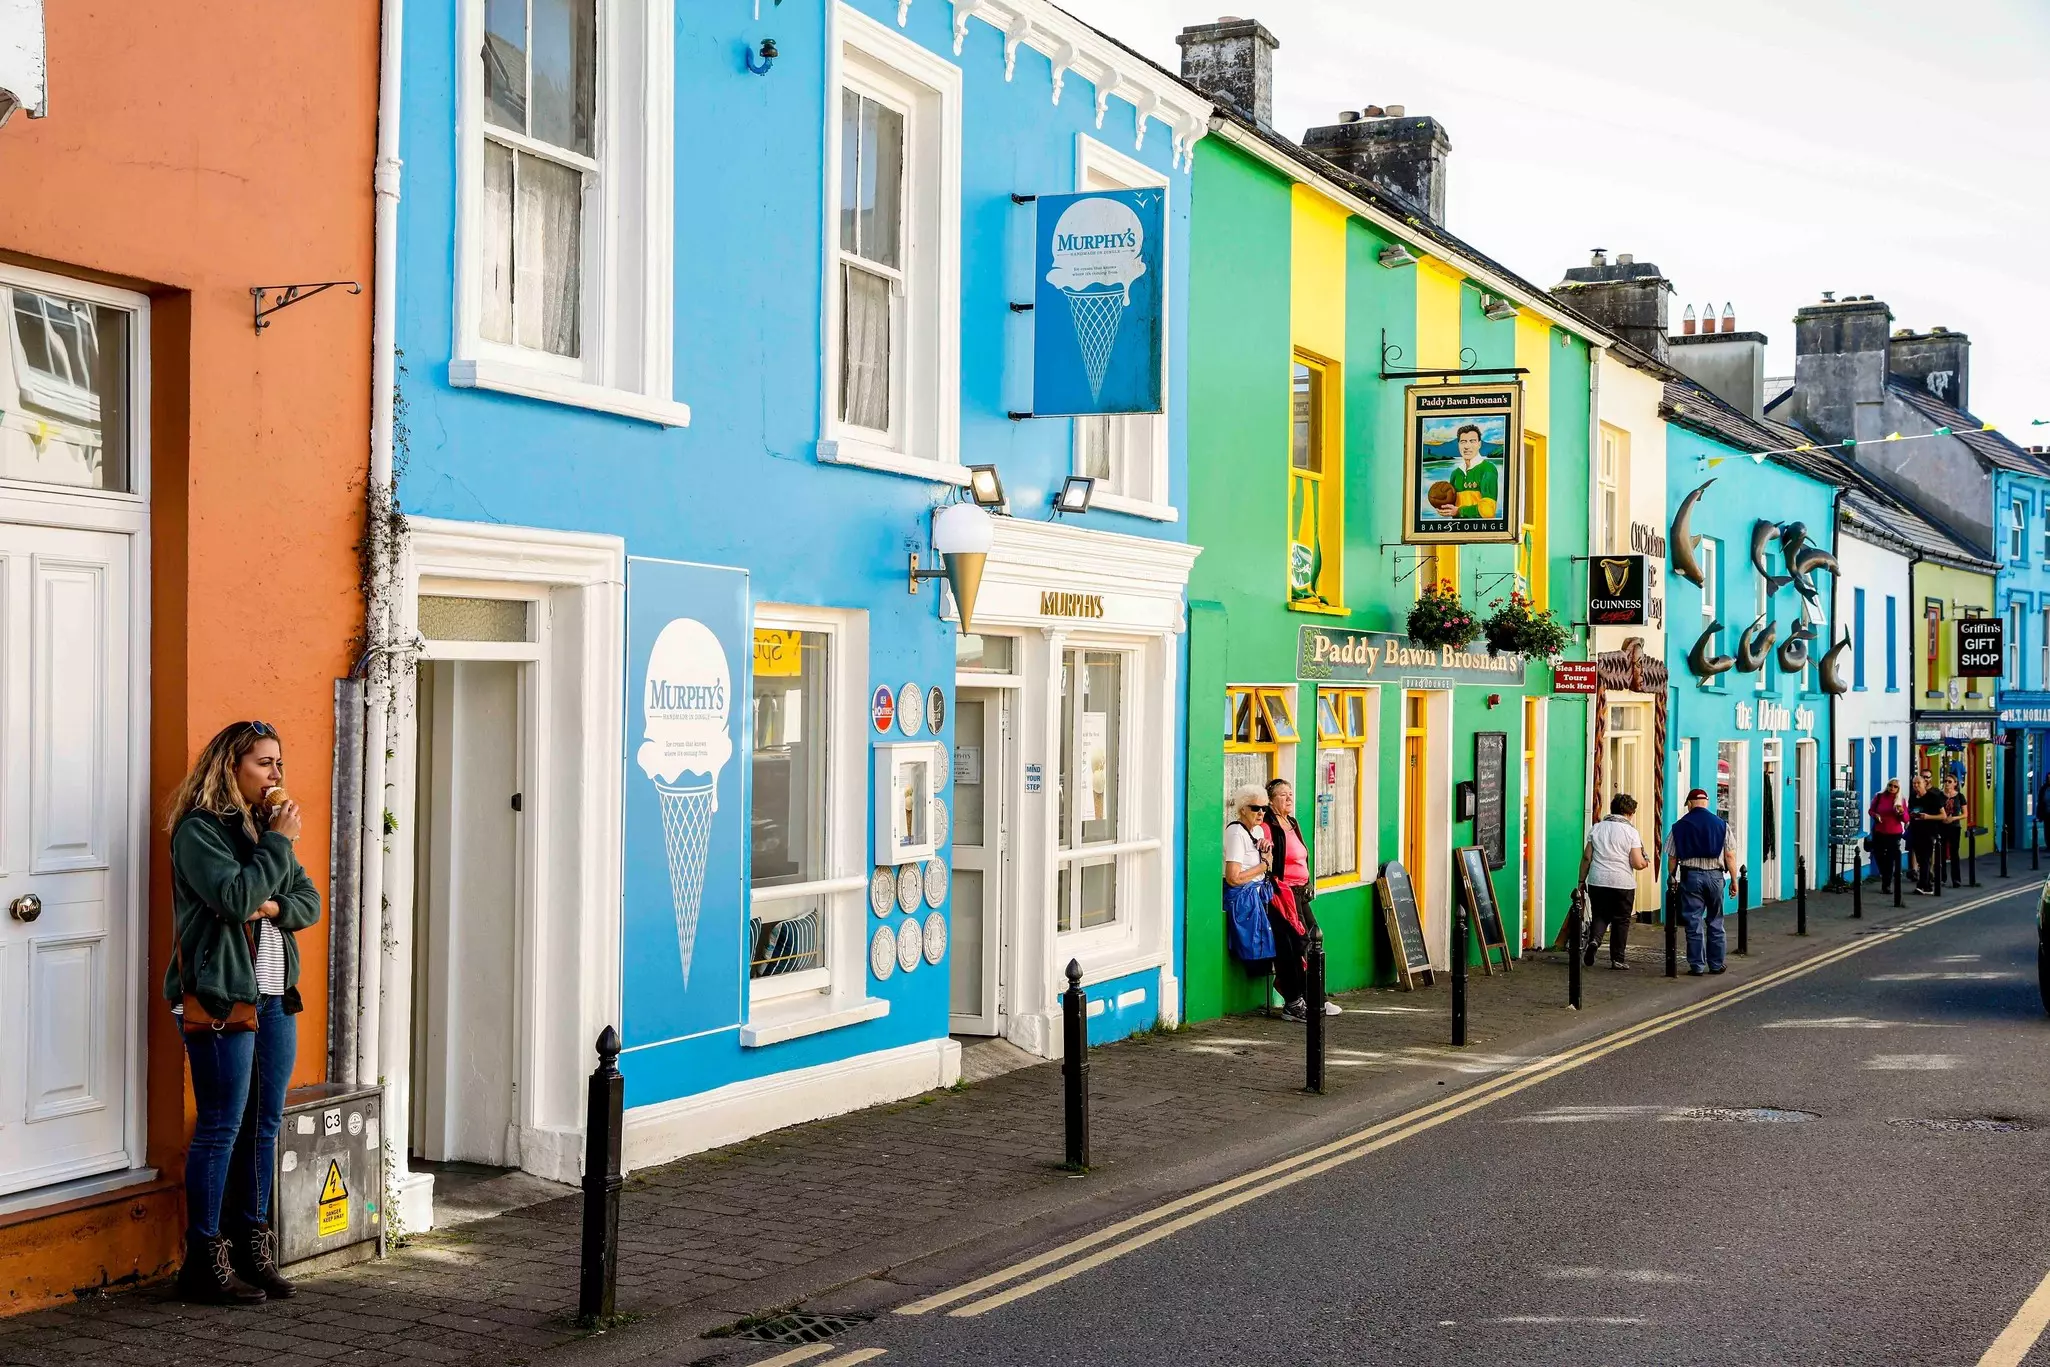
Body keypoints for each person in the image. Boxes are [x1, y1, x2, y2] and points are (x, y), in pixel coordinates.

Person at [162, 721, 322, 1304]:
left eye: (279, 762)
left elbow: (307, 903)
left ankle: (251, 1242)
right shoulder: (198, 832)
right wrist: (274, 849)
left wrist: (270, 899)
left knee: (263, 1123)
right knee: (221, 1125)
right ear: (230, 767)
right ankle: (203, 1257)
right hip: (222, 996)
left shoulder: (263, 830)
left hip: (276, 996)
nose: (276, 775)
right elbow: (231, 900)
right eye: (263, 763)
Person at [1265, 778, 1341, 1016]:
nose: (1289, 798)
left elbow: (1301, 856)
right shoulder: (1269, 826)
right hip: (1283, 894)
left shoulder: (1291, 822)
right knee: (1297, 945)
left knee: (1314, 939)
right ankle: (1297, 1000)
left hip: (1300, 892)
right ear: (1270, 801)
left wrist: (1308, 881)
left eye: (1290, 793)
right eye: (1283, 795)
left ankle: (1317, 996)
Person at [1663, 788, 1738, 975]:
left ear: (1689, 804)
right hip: (1715, 876)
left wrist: (1671, 877)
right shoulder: (1722, 825)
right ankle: (1716, 964)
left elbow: (1672, 857)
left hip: (1691, 877)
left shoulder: (1679, 826)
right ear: (1707, 803)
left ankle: (1697, 965)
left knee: (1693, 921)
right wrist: (1734, 880)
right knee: (1716, 920)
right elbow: (1729, 855)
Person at [1579, 794, 1649, 969]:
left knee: (1600, 915)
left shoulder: (1597, 828)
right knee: (1621, 920)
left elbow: (1587, 857)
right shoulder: (1631, 832)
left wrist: (1581, 880)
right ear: (1629, 813)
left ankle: (1594, 940)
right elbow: (1636, 862)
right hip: (1622, 883)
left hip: (1598, 880)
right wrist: (1645, 862)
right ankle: (1617, 959)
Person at [1223, 783, 1280, 994]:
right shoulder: (1237, 833)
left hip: (1260, 893)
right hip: (1245, 897)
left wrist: (1263, 848)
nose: (1261, 812)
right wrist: (1264, 865)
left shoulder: (1255, 830)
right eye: (1256, 808)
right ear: (1243, 808)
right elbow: (1233, 877)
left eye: (1264, 808)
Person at [1448, 423, 1499, 520]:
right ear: (1458, 444)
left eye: (1472, 441)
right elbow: (1452, 506)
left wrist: (1459, 511)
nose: (1467, 446)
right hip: (1457, 531)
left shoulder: (1488, 468)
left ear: (1479, 444)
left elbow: (1488, 510)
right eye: (1463, 442)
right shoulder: (1455, 473)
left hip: (1482, 532)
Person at [1908, 774, 1947, 893]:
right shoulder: (1913, 797)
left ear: (1924, 784)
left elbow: (1943, 815)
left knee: (1925, 858)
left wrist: (1927, 816)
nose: (1916, 786)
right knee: (1920, 859)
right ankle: (1926, 884)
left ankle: (1923, 885)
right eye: (1914, 783)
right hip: (1915, 831)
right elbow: (1911, 810)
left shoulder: (1933, 797)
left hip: (1929, 831)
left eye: (1918, 783)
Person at [1867, 777, 1907, 895]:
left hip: (1894, 832)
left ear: (1898, 789)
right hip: (1880, 830)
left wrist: (1901, 813)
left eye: (1895, 787)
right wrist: (1875, 815)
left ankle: (1886, 885)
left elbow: (1906, 819)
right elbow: (1871, 810)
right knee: (1878, 854)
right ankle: (1885, 874)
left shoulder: (1901, 800)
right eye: (1890, 785)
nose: (1892, 788)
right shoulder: (1879, 797)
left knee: (1890, 858)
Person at [1939, 773, 1967, 881]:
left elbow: (1965, 814)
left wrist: (1953, 818)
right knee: (1940, 852)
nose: (1947, 783)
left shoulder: (1960, 797)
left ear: (1955, 783)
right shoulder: (1940, 796)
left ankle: (1956, 879)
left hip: (1954, 827)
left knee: (1954, 853)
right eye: (1945, 781)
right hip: (1941, 826)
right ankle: (1942, 877)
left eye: (1949, 781)